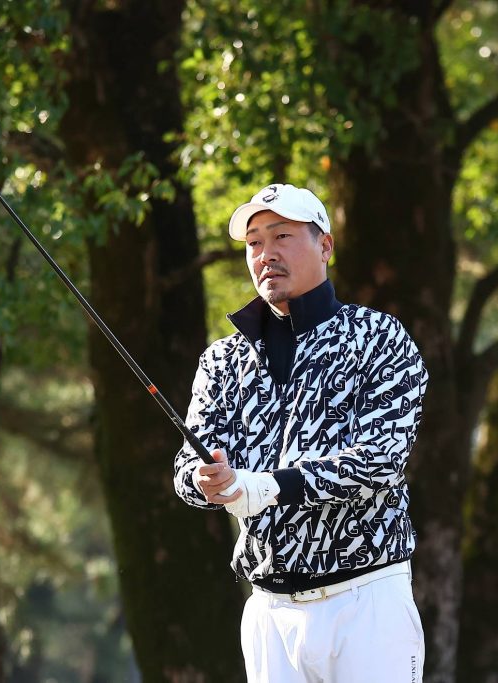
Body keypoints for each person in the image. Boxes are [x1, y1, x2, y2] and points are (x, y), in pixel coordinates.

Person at [173, 183, 429, 682]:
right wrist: (206, 481)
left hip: (366, 601)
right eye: (254, 243)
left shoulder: (379, 339)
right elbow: (186, 470)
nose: (266, 254)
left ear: (325, 245)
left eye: (282, 237)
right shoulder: (221, 361)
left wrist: (266, 486)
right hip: (270, 613)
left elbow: (379, 460)